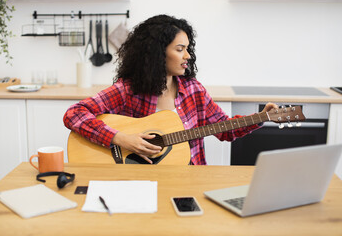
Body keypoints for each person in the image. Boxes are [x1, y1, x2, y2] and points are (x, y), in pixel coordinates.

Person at [63, 14, 278, 165]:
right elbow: (74, 114)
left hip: (190, 178)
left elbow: (224, 129)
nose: (188, 56)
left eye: (188, 49)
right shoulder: (128, 89)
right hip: (141, 180)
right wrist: (120, 138)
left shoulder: (193, 90)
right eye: (180, 49)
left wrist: (261, 117)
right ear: (157, 53)